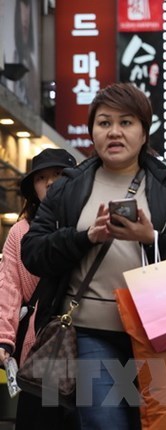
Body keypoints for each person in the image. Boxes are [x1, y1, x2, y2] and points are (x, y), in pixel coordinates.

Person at [21, 83, 166, 430]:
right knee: (106, 422)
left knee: (156, 424)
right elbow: (33, 252)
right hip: (92, 333)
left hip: (161, 336)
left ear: (144, 130)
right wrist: (86, 237)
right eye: (104, 123)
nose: (115, 132)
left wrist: (150, 237)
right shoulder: (69, 186)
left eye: (126, 123)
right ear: (92, 131)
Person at [0, 148, 77, 429]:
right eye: (41, 177)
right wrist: (4, 339)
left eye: (58, 174)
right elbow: (8, 287)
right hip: (41, 348)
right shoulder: (21, 232)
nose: (51, 182)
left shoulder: (89, 222)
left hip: (91, 344)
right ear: (33, 188)